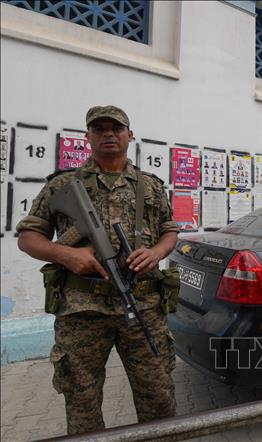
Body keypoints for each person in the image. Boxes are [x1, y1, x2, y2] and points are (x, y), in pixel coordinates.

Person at [16, 106, 179, 434]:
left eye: (116, 128)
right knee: (82, 399)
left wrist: (156, 251)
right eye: (100, 128)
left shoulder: (150, 186)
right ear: (87, 136)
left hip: (143, 306)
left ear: (129, 136)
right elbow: (28, 238)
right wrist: (66, 255)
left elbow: (169, 230)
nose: (108, 134)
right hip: (82, 310)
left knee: (159, 398)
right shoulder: (63, 184)